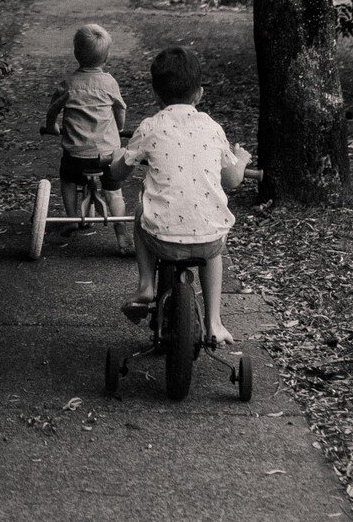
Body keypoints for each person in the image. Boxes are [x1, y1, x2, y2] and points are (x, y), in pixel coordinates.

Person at [106, 44, 250, 347]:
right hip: (207, 243)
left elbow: (118, 174)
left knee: (140, 210)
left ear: (157, 97)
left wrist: (119, 157)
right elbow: (233, 179)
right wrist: (243, 158)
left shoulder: (150, 127)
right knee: (215, 244)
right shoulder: (212, 128)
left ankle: (146, 286)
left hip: (162, 239)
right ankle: (214, 322)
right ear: (199, 94)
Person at [41, 23, 134, 254]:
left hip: (76, 156)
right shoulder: (109, 83)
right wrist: (119, 128)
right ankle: (121, 232)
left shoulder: (68, 84)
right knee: (113, 190)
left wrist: (52, 126)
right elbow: (120, 110)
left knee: (68, 179)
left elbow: (52, 111)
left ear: (75, 53)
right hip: (106, 156)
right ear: (107, 57)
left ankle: (72, 217)